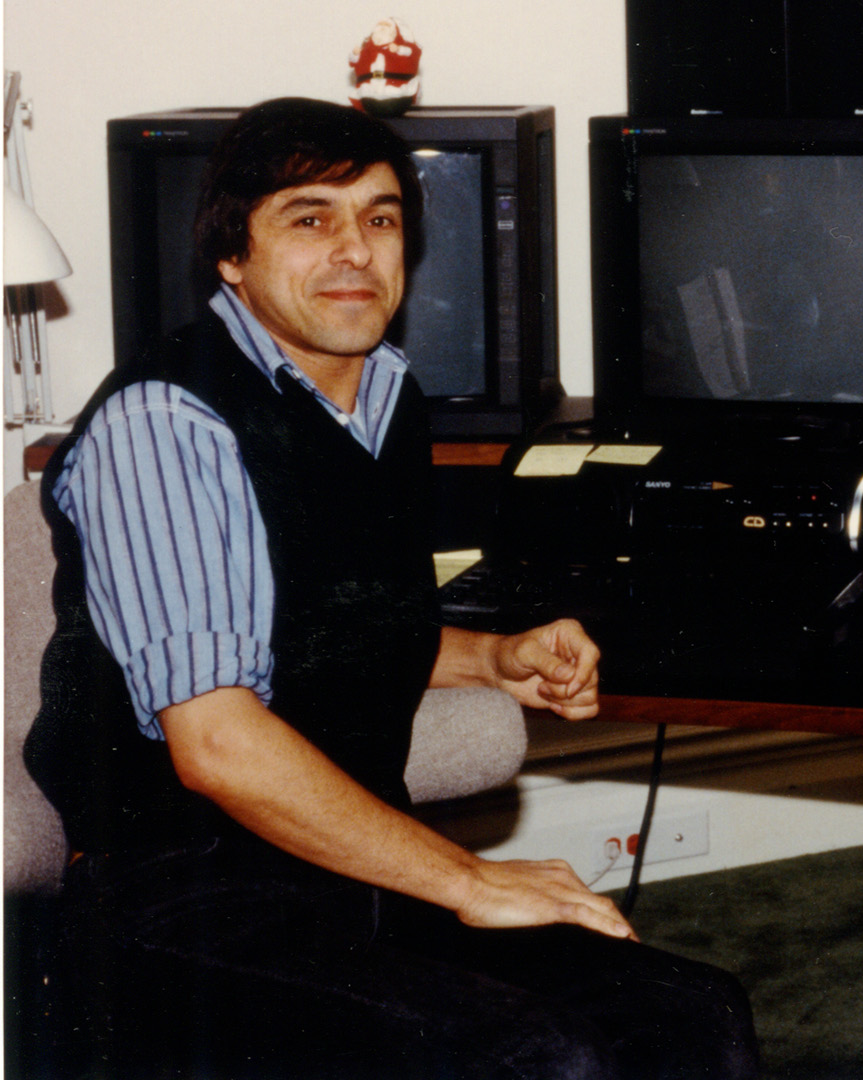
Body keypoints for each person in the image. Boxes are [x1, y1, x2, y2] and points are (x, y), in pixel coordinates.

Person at [26, 97, 759, 1079]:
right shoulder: (164, 426)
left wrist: (496, 658)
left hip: (345, 869)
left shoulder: (383, 395)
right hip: (178, 901)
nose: (355, 250)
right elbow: (217, 744)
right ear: (231, 256)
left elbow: (328, 629)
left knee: (690, 1015)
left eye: (379, 218)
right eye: (309, 216)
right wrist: (467, 878)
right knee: (541, 1055)